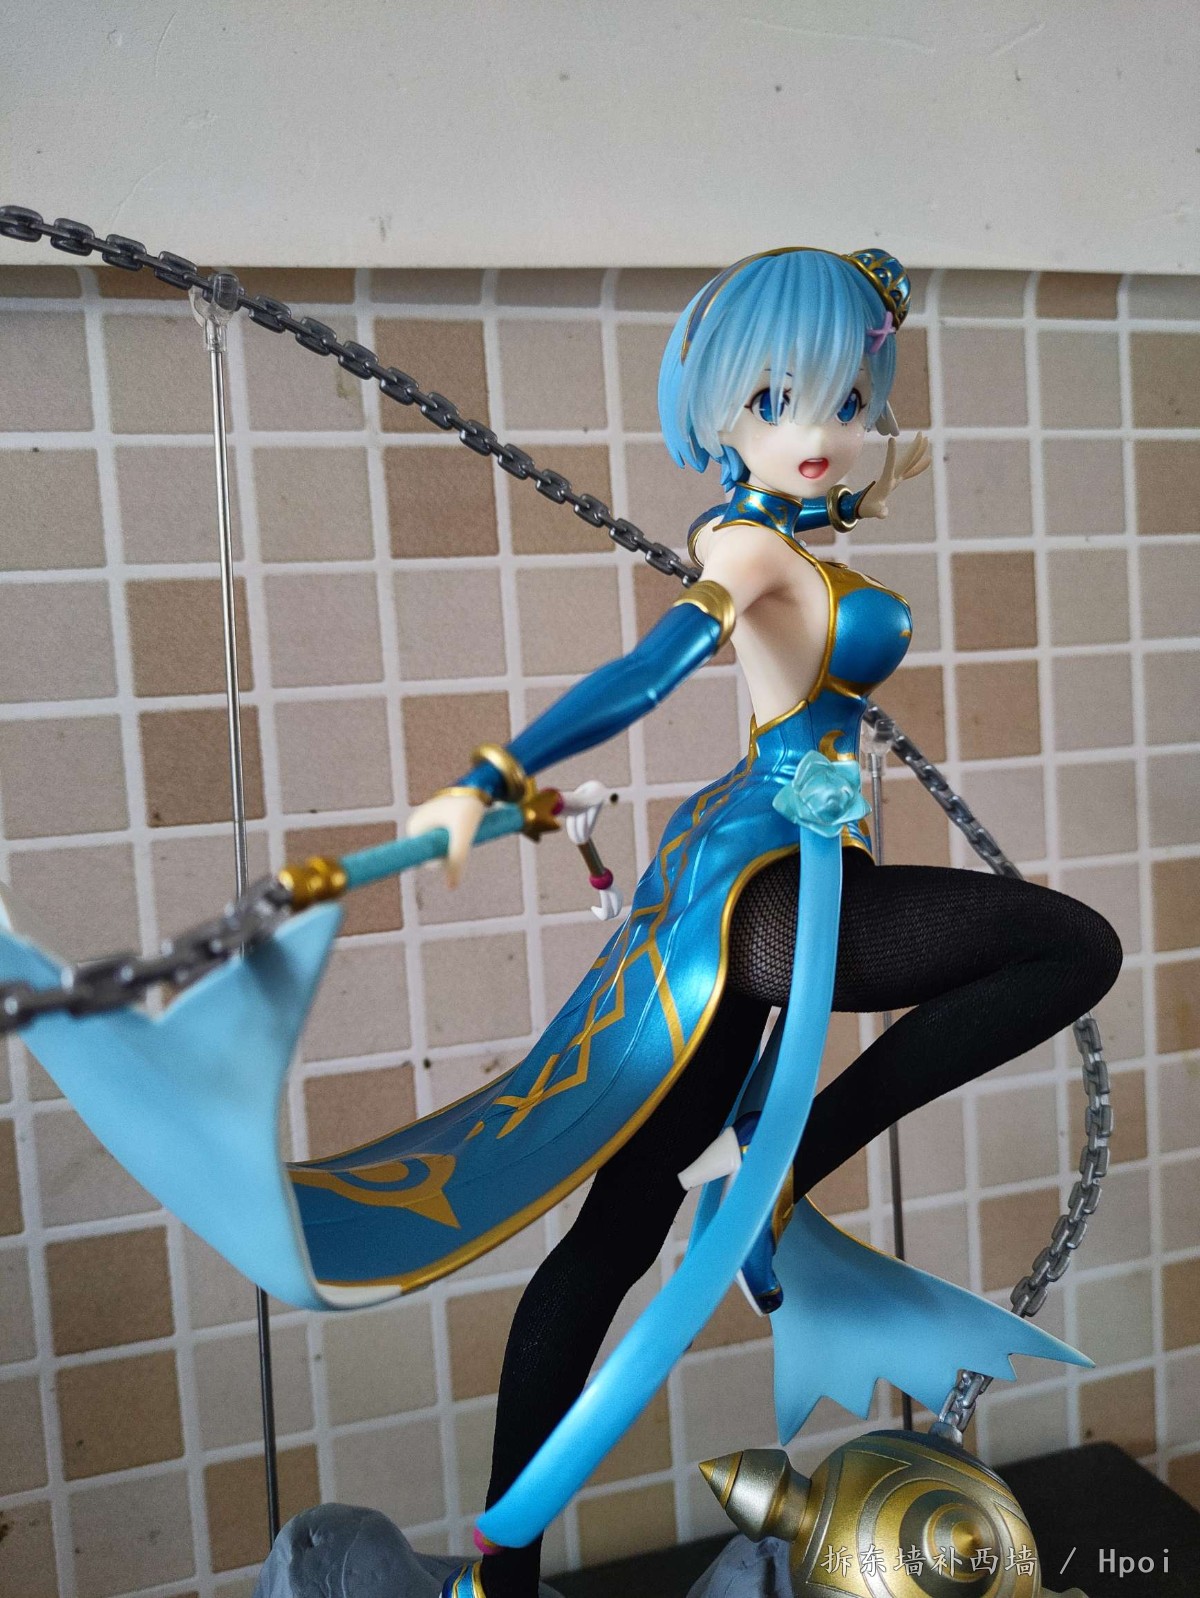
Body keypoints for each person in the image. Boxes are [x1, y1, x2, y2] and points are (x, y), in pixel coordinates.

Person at [393, 248, 1122, 1598]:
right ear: (720, 411)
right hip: (769, 889)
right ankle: (788, 1166)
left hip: (765, 870)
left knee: (618, 1229)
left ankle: (498, 1580)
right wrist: (497, 777)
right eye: (779, 400)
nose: (820, 431)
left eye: (847, 400)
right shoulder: (742, 547)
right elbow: (648, 668)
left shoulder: (787, 533)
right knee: (1072, 948)